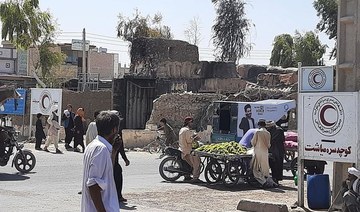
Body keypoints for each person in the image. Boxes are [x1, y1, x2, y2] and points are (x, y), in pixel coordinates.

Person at [81, 111, 120, 212]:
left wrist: (114, 151)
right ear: (114, 129)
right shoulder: (101, 149)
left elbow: (105, 173)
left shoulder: (93, 146)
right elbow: (93, 185)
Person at [110, 110, 130, 203]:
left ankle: (116, 195)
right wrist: (125, 159)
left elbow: (120, 146)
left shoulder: (107, 129)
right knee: (116, 176)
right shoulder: (115, 130)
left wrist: (125, 158)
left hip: (112, 160)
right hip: (112, 160)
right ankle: (117, 196)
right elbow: (120, 146)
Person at [250, 119, 276, 188]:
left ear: (259, 125)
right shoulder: (268, 133)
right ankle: (270, 182)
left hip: (258, 151)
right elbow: (268, 145)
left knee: (255, 169)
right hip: (265, 152)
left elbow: (253, 142)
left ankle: (263, 182)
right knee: (265, 169)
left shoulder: (258, 132)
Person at [179, 116, 201, 183]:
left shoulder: (182, 129)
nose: (192, 123)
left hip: (182, 148)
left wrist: (193, 136)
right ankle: (195, 178)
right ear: (188, 122)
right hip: (187, 150)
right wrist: (195, 138)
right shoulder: (187, 130)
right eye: (191, 122)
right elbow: (189, 140)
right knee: (197, 163)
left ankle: (187, 176)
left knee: (191, 163)